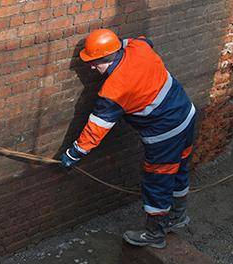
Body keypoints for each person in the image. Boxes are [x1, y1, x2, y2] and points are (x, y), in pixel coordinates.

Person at [61, 28, 197, 248]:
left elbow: (96, 129)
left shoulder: (114, 90)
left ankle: (155, 234)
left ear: (107, 57)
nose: (92, 67)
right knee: (179, 169)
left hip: (164, 135)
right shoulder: (138, 47)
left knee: (158, 181)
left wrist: (73, 154)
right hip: (186, 115)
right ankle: (178, 216)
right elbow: (145, 40)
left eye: (95, 62)